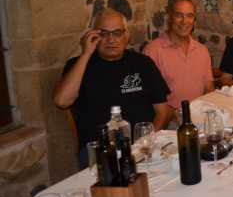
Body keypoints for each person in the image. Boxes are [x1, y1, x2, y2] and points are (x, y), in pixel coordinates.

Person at [53, 9, 172, 168]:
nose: (111, 39)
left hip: (143, 146)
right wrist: (86, 54)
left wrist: (146, 143)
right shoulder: (78, 66)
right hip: (100, 152)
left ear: (126, 36)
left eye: (117, 33)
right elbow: (61, 101)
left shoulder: (143, 64)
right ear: (93, 36)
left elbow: (163, 111)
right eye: (103, 34)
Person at [144, 0, 214, 111]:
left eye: (189, 16)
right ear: (169, 18)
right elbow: (149, 98)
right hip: (170, 120)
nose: (184, 21)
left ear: (194, 20)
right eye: (178, 15)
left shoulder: (202, 51)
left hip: (200, 115)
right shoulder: (153, 51)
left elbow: (208, 88)